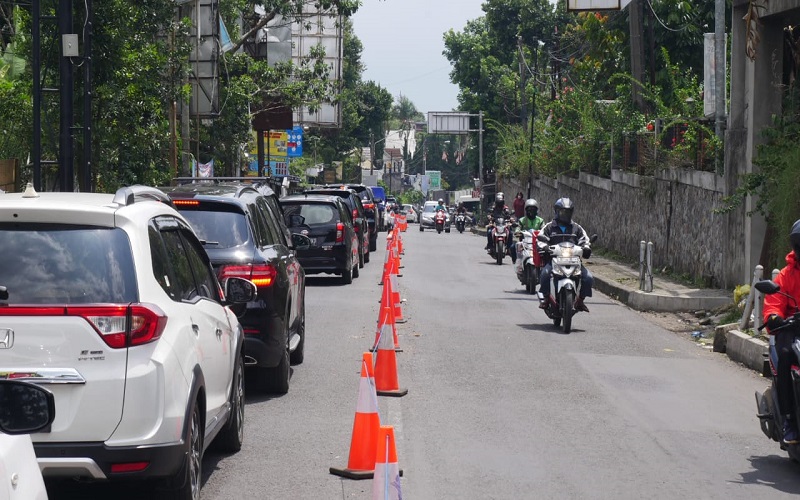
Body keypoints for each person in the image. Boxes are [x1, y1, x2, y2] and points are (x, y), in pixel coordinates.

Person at [763, 219, 800, 445]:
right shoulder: (785, 275)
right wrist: (774, 317)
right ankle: (789, 419)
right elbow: (774, 302)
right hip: (792, 327)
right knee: (786, 354)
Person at [537, 198, 593, 312]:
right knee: (545, 274)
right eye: (562, 211)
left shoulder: (577, 228)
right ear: (556, 211)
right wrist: (545, 247)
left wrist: (586, 248)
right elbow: (541, 239)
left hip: (574, 260)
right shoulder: (549, 227)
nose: (565, 214)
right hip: (554, 260)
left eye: (567, 212)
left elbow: (584, 240)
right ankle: (547, 298)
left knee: (588, 278)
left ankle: (580, 300)